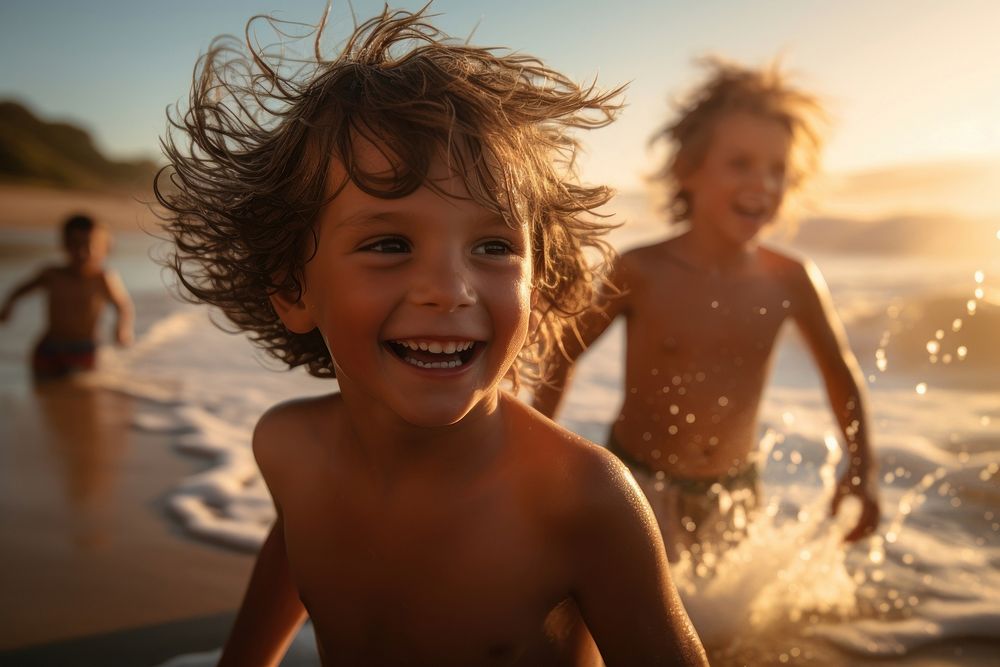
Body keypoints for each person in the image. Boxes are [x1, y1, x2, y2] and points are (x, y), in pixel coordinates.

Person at [156, 8, 707, 666]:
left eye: (494, 246)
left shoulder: (579, 498)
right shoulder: (290, 449)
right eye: (389, 243)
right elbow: (298, 553)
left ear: (543, 280)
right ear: (294, 289)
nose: (449, 289)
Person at [533, 58, 880, 563]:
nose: (762, 183)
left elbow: (841, 375)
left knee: (731, 631)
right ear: (687, 170)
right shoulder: (642, 271)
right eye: (740, 163)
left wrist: (861, 470)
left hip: (735, 491)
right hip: (639, 484)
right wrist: (538, 458)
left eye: (777, 169)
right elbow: (564, 355)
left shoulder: (792, 279)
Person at [0, 214, 133, 380]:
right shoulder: (52, 274)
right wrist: (8, 306)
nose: (83, 252)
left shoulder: (103, 278)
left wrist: (121, 329)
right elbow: (20, 290)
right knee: (47, 397)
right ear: (64, 244)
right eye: (75, 245)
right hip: (48, 348)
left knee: (83, 398)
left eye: (90, 245)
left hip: (84, 349)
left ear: (105, 248)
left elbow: (123, 306)